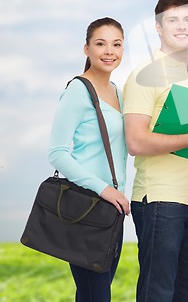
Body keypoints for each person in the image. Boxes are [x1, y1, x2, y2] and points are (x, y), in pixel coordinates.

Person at [122, 0, 188, 302]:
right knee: (158, 293)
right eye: (172, 20)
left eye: (187, 19)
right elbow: (135, 141)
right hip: (159, 202)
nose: (181, 26)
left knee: (183, 294)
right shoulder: (144, 74)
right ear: (158, 27)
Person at [48, 17, 130, 302]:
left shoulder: (118, 92)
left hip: (112, 212)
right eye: (100, 44)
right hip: (86, 208)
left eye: (116, 44)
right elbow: (57, 152)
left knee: (93, 294)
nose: (109, 51)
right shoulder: (78, 90)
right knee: (96, 295)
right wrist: (105, 189)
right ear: (86, 49)